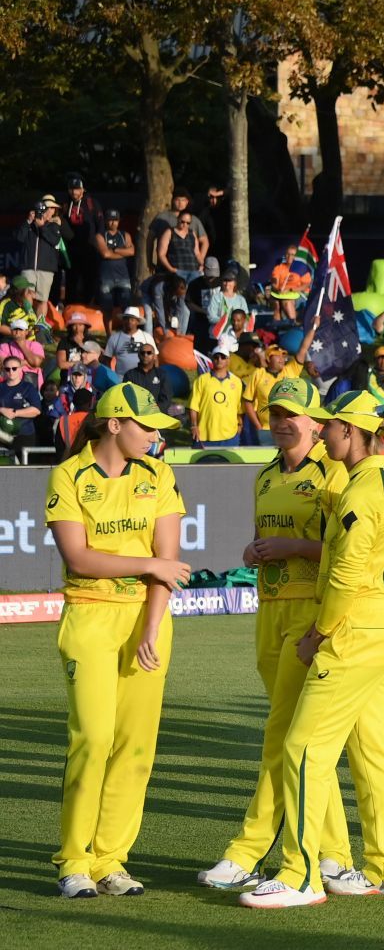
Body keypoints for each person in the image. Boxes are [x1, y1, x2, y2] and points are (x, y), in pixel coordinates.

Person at [239, 390, 384, 907]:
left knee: (302, 750)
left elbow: (343, 574)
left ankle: (300, 874)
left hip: (355, 631)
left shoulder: (358, 493)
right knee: (371, 750)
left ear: (350, 433)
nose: (324, 431)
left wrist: (318, 633)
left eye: (332, 425)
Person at [200, 380, 360, 891]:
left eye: (293, 414)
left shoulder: (333, 475)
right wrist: (254, 551)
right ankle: (333, 855)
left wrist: (293, 545)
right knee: (303, 741)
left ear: (317, 422)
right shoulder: (267, 475)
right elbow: (265, 539)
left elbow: (348, 551)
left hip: (310, 611)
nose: (282, 421)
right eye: (275, 413)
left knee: (283, 737)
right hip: (268, 608)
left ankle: (247, 852)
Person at [46, 384, 190, 899]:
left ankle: (111, 861)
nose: (154, 436)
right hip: (89, 615)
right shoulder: (69, 475)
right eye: (145, 425)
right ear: (114, 424)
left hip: (148, 621)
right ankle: (74, 861)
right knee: (94, 738)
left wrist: (151, 626)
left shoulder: (160, 474)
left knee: (136, 748)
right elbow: (79, 559)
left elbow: (168, 565)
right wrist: (148, 564)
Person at [189, 349, 244, 448]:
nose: (219, 359)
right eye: (216, 357)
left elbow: (238, 408)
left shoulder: (237, 382)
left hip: (230, 435)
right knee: (202, 463)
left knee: (230, 463)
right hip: (204, 435)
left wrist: (240, 425)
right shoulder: (201, 380)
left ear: (228, 360)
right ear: (212, 359)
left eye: (223, 357)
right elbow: (193, 406)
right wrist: (194, 425)